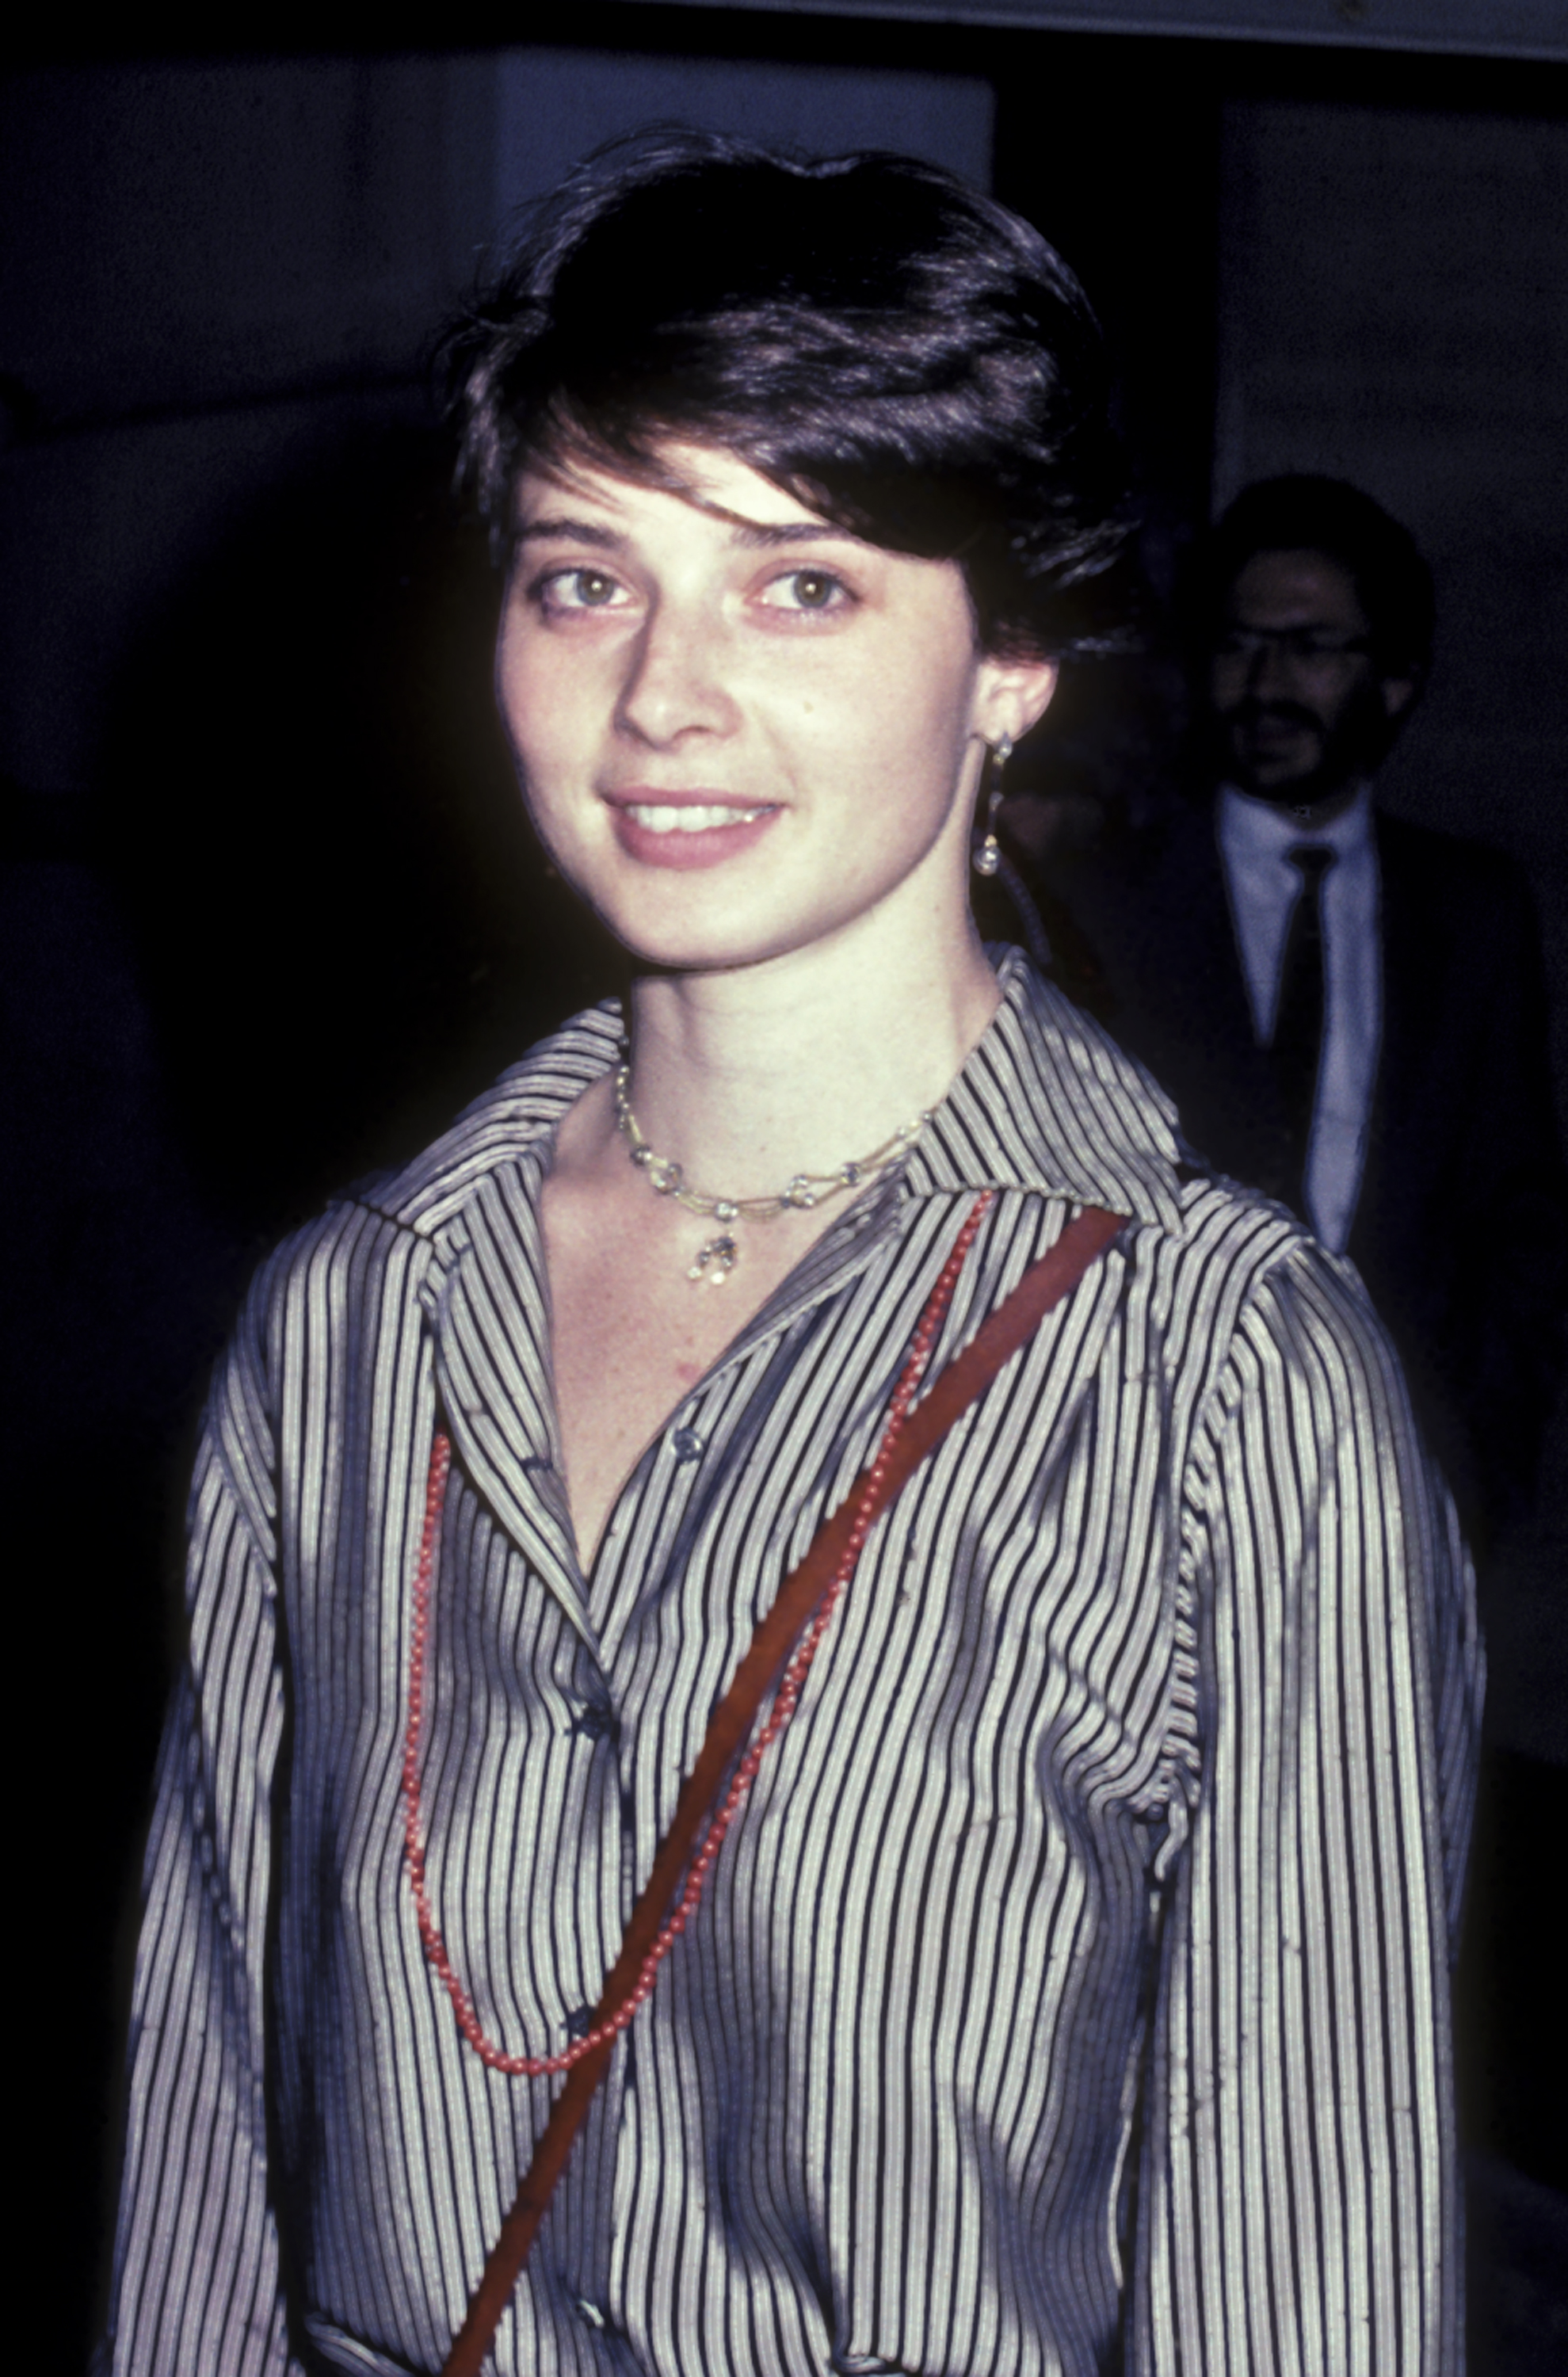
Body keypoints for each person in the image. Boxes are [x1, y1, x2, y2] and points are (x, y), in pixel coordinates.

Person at [97, 139, 1481, 2376]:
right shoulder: (349, 1321)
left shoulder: (1218, 1383)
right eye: (580, 578)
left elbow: (1299, 2294)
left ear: (1011, 661)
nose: (659, 698)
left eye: (801, 586)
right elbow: (201, 2162)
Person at [1049, 476, 1566, 1546]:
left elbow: (1515, 1206)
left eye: (1312, 647)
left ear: (1395, 681)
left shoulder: (1474, 914)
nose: (1266, 681)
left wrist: (1489, 1450)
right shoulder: (1102, 898)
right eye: (1240, 646)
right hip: (1146, 1493)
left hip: (1407, 1495)